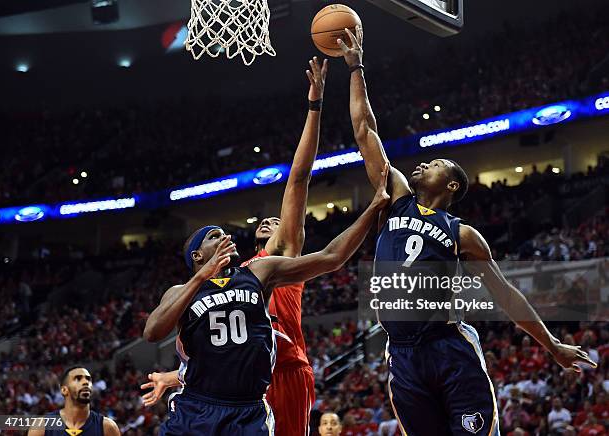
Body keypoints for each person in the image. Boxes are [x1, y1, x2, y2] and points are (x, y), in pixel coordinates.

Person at [337, 27, 596, 436]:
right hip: (402, 355)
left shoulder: (464, 234)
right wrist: (355, 67)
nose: (422, 165)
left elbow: (508, 296)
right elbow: (365, 132)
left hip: (449, 347)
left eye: (435, 163)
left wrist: (553, 345)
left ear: (452, 184)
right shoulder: (398, 198)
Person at [141, 56, 328, 435]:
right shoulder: (230, 279)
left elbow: (298, 179)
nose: (270, 222)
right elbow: (220, 357)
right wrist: (172, 377)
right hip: (238, 390)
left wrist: (314, 106)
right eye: (266, 221)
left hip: (284, 374)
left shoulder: (273, 261)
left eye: (277, 222)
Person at [143, 168, 389, 435]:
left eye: (225, 233)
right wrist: (201, 277)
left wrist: (373, 207)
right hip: (198, 406)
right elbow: (153, 332)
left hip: (247, 408)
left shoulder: (258, 272)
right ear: (197, 256)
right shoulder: (181, 291)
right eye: (214, 236)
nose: (226, 237)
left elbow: (332, 257)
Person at [29, 366, 120, 436]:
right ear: (64, 390)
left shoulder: (107, 427)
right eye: (78, 379)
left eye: (88, 379)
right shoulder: (42, 426)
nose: (85, 382)